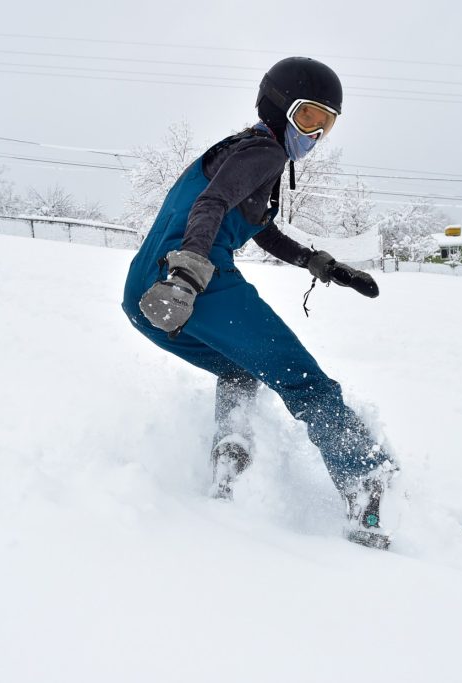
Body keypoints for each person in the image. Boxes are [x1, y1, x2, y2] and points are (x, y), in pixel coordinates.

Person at [122, 56, 397, 549]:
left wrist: (321, 264)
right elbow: (210, 207)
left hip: (143, 292)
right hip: (191, 280)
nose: (315, 134)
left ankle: (232, 455)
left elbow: (260, 229)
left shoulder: (238, 153)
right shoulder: (264, 152)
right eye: (309, 116)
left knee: (239, 370)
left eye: (327, 124)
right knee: (307, 384)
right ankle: (367, 487)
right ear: (278, 107)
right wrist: (188, 276)